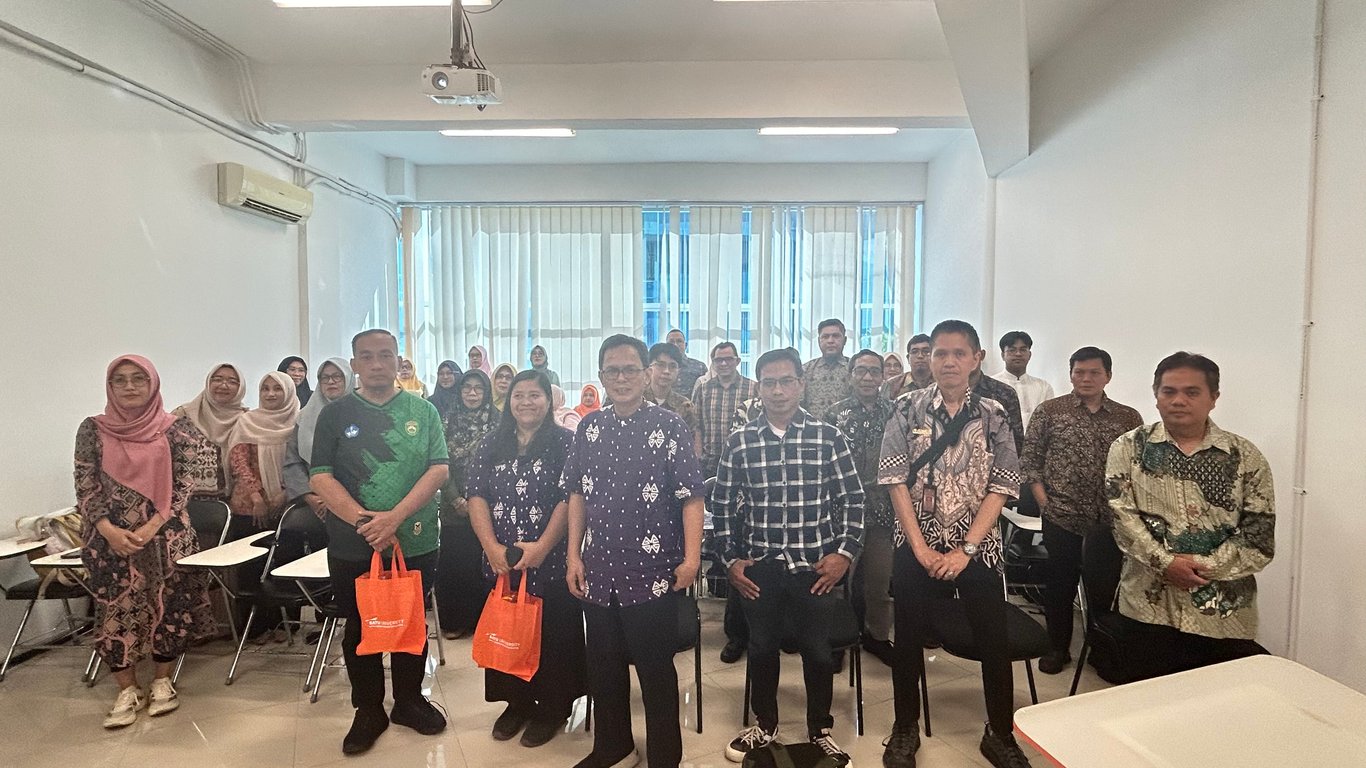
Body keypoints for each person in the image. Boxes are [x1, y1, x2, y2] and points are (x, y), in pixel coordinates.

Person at [878, 319, 1030, 768]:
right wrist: (921, 548)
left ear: (976, 359)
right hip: (916, 542)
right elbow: (894, 480)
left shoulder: (994, 413)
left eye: (959, 353)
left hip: (978, 545)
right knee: (907, 637)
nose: (948, 361)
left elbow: (1002, 486)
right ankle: (905, 727)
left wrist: (966, 550)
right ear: (928, 358)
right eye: (939, 353)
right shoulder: (906, 408)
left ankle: (1000, 732)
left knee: (993, 638)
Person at [712, 348, 864, 766]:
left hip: (815, 567)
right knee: (762, 647)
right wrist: (730, 560)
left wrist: (844, 555)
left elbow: (853, 500)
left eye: (786, 381)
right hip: (760, 567)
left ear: (801, 383)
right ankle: (765, 724)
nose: (777, 391)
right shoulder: (741, 441)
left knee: (817, 651)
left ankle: (820, 730)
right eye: (769, 382)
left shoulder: (828, 437)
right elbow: (720, 505)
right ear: (758, 387)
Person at [563, 334, 705, 768]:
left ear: (646, 374)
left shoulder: (670, 425)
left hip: (653, 572)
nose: (621, 378)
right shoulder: (589, 427)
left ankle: (664, 756)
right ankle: (615, 747)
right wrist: (573, 555)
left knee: (655, 671)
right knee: (604, 668)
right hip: (598, 569)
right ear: (601, 376)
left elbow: (691, 497)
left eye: (630, 369)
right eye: (613, 370)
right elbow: (576, 494)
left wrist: (692, 559)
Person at [310, 329, 450, 756]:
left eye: (385, 355)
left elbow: (439, 469)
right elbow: (320, 476)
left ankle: (409, 701)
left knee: (412, 623)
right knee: (358, 627)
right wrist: (365, 522)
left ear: (397, 361)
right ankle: (368, 709)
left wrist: (395, 518)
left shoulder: (423, 410)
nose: (376, 364)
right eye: (367, 356)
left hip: (415, 539)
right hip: (354, 543)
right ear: (354, 364)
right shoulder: (334, 414)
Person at [1104, 352, 1274, 681]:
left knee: (1216, 704)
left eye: (1192, 392)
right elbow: (1122, 518)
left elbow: (1258, 537)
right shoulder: (1128, 448)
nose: (1178, 400)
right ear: (1156, 395)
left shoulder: (1245, 457)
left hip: (1223, 613)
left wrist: (1200, 566)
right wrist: (1166, 563)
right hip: (1148, 607)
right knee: (1147, 701)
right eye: (1169, 391)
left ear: (1214, 398)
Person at [76, 355, 215, 729]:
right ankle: (126, 689)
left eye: (138, 378)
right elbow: (85, 484)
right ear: (109, 386)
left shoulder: (176, 429)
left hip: (167, 537)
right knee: (115, 610)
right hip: (109, 540)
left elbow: (184, 484)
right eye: (120, 380)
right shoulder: (92, 429)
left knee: (169, 606)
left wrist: (153, 525)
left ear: (152, 383)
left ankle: (162, 681)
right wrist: (108, 530)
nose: (129, 386)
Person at [467, 370, 585, 748]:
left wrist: (543, 547)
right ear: (509, 401)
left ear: (549, 401)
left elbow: (570, 498)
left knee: (552, 637)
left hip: (550, 561)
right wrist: (491, 547)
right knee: (508, 632)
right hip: (503, 562)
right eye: (519, 395)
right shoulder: (492, 442)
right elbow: (476, 495)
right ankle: (515, 704)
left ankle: (552, 709)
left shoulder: (565, 442)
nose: (526, 402)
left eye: (535, 395)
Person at [1019, 347, 1142, 674]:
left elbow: (1137, 468)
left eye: (1094, 372)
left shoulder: (1128, 418)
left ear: (1108, 376)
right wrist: (1044, 503)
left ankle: (1101, 649)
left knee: (1103, 588)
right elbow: (1030, 462)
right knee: (1059, 586)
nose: (1086, 378)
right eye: (1079, 372)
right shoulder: (1050, 411)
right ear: (1071, 374)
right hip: (1061, 515)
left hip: (1109, 522)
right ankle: (1057, 648)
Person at [824, 349, 898, 667]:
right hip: (841, 511)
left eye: (874, 371)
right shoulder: (833, 414)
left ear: (883, 376)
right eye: (861, 371)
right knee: (836, 581)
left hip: (883, 509)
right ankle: (837, 639)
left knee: (879, 582)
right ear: (850, 375)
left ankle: (876, 636)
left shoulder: (896, 413)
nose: (867, 377)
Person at [438, 368, 499, 639]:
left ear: (486, 392)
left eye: (478, 388)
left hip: (488, 504)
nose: (472, 393)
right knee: (456, 564)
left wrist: (477, 500)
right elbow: (440, 462)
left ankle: (484, 621)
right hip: (453, 507)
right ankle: (455, 621)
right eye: (467, 388)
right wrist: (455, 499)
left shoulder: (498, 422)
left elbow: (500, 464)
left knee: (483, 562)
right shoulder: (447, 421)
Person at [225, 372, 301, 541]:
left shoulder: (299, 421)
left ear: (289, 391)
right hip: (249, 505)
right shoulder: (247, 421)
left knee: (287, 553)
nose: (270, 394)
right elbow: (239, 463)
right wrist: (256, 498)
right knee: (247, 554)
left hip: (290, 503)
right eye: (265, 389)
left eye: (278, 389)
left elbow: (303, 462)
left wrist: (286, 493)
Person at [284, 357, 354, 523]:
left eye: (337, 376)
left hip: (355, 501)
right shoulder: (305, 416)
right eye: (325, 377)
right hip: (314, 502)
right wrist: (309, 496)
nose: (330, 382)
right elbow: (292, 461)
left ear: (349, 379)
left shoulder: (363, 414)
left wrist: (338, 499)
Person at [173, 363, 248, 496]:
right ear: (208, 383)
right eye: (217, 379)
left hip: (231, 501)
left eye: (232, 381)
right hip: (183, 500)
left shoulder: (246, 420)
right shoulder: (184, 414)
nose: (223, 385)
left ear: (240, 387)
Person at [692, 342, 758, 477]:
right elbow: (697, 425)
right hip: (709, 464)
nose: (723, 363)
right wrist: (697, 457)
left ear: (737, 361)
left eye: (728, 359)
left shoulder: (753, 389)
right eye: (718, 360)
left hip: (744, 462)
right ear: (713, 363)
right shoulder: (703, 390)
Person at [991, 331, 1055, 430]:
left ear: (1029, 355)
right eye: (1012, 350)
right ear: (1003, 355)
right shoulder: (990, 385)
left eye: (1023, 350)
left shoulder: (1043, 387)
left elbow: (1050, 421)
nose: (1018, 354)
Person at [643, 342, 699, 437]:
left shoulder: (685, 405)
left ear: (678, 371)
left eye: (673, 366)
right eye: (661, 365)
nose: (666, 371)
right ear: (649, 368)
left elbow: (689, 439)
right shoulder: (637, 400)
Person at [802, 318, 853, 418]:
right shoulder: (806, 370)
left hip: (846, 426)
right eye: (825, 337)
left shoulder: (854, 369)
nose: (830, 341)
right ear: (819, 341)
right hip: (812, 426)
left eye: (836, 336)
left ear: (845, 340)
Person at [882, 334, 933, 401]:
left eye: (926, 351)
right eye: (914, 352)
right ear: (908, 358)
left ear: (933, 356)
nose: (920, 356)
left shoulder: (942, 383)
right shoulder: (891, 385)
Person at [666, 328, 708, 398]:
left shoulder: (700, 367)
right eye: (671, 342)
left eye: (679, 341)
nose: (675, 345)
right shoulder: (660, 368)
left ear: (685, 345)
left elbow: (706, 392)